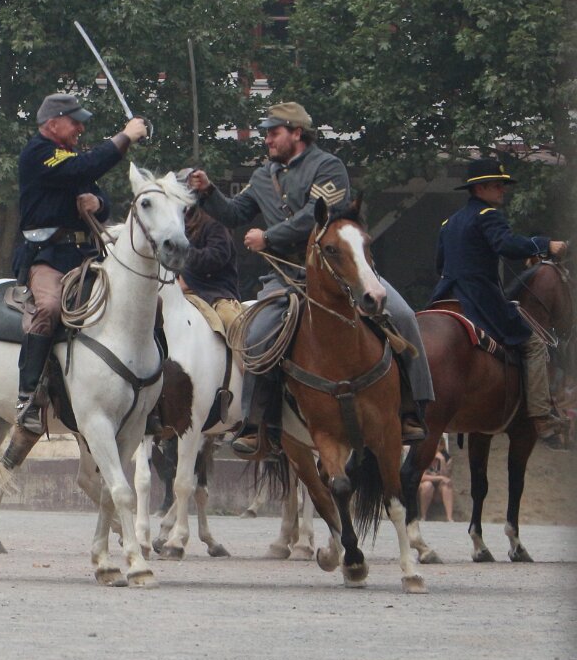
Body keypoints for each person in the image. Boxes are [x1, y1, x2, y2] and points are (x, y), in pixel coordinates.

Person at [186, 101, 432, 456]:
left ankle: (413, 408)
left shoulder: (328, 167)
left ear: (297, 132)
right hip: (287, 276)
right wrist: (209, 191)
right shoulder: (263, 175)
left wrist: (268, 237)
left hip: (340, 271)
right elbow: (235, 213)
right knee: (256, 337)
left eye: (274, 133)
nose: (267, 140)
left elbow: (316, 216)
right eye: (266, 134)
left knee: (405, 316)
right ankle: (258, 425)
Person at [11, 91, 148, 434]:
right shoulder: (38, 153)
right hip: (48, 257)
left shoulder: (68, 156)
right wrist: (125, 137)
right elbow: (83, 168)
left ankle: (149, 393)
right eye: (75, 122)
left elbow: (98, 192)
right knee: (49, 307)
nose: (80, 129)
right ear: (53, 123)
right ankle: (28, 397)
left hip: (87, 255)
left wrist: (98, 204)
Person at [430, 157, 569, 446]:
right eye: (497, 185)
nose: (502, 190)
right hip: (478, 298)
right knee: (534, 344)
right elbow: (505, 244)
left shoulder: (449, 222)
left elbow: (440, 264)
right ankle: (542, 417)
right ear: (480, 188)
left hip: (445, 295)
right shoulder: (488, 215)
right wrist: (544, 244)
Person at [174, 182, 243, 332]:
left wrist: (185, 254)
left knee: (231, 321)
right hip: (175, 291)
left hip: (213, 292)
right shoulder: (174, 224)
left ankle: (244, 348)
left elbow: (217, 256)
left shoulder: (215, 221)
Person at [418, 445, 454, 523]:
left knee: (447, 485)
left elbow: (447, 477)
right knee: (428, 485)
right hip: (423, 487)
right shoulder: (423, 456)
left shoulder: (446, 457)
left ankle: (449, 518)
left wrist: (442, 461)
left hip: (438, 489)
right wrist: (440, 478)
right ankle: (423, 516)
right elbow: (421, 477)